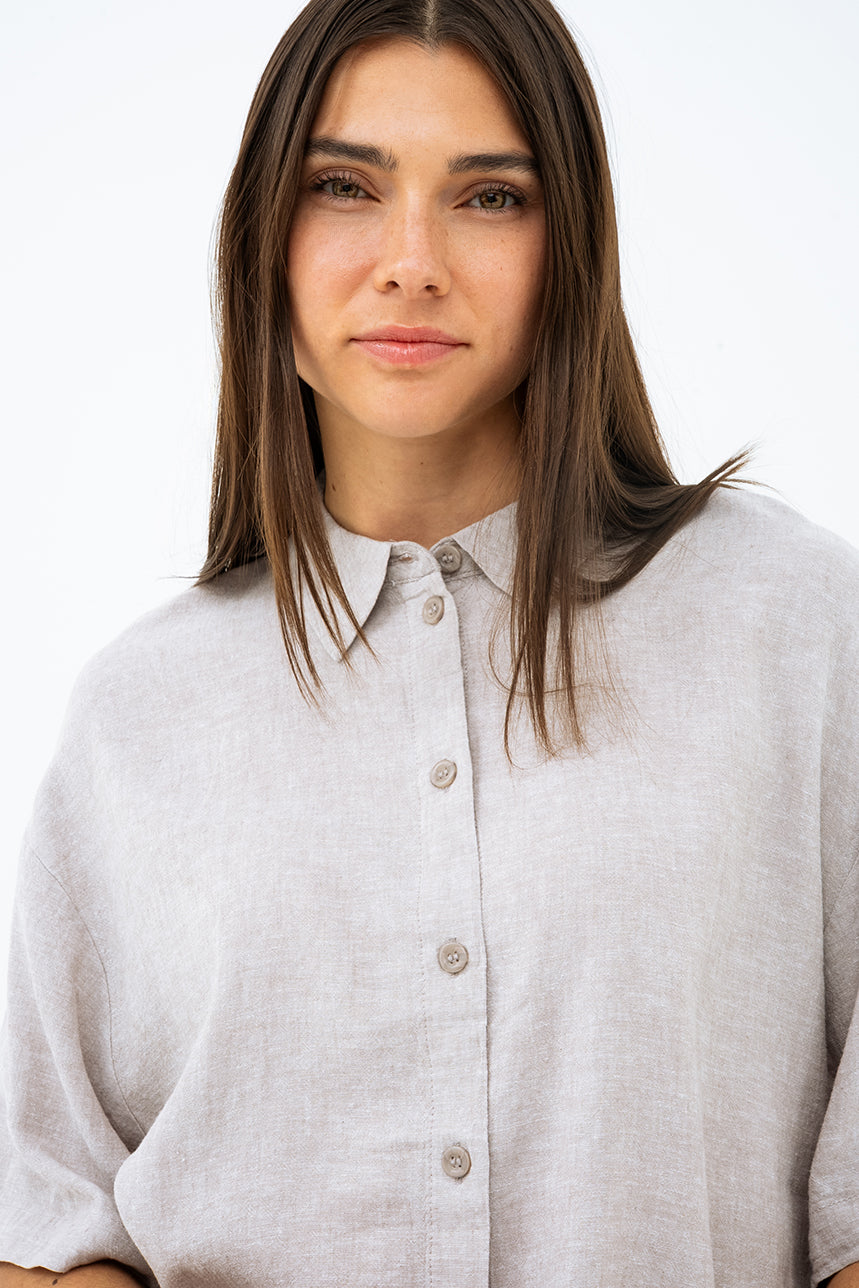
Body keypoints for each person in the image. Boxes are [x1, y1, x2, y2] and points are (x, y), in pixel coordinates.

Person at [1, 0, 858, 1283]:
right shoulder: (138, 712)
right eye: (344, 186)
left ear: (571, 244)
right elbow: (52, 1212)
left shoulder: (791, 625)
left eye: (489, 197)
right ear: (263, 237)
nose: (411, 261)